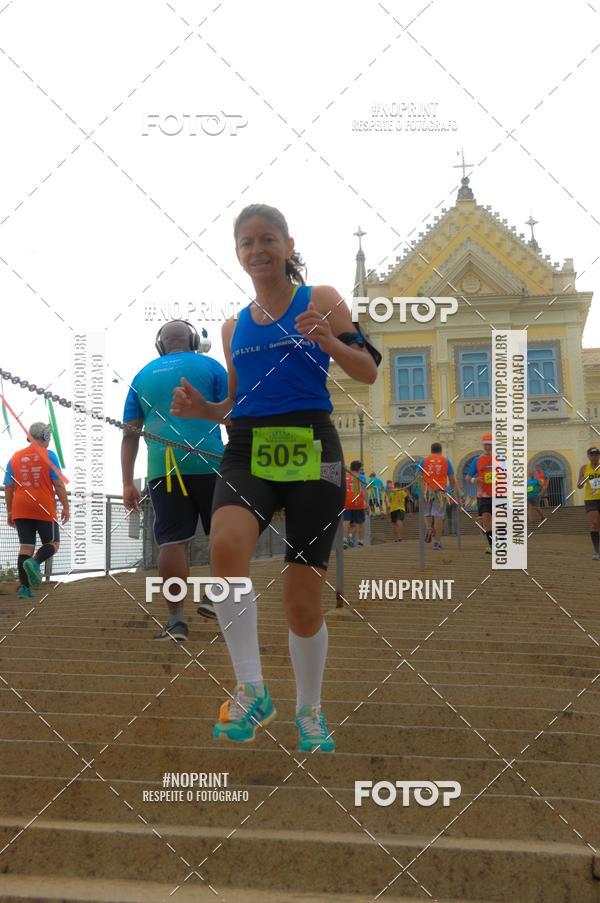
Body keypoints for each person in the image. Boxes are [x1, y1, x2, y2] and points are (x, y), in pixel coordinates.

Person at [170, 203, 378, 752]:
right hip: (248, 447)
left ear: (288, 246)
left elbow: (368, 370)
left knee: (301, 599)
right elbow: (237, 403)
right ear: (238, 254)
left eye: (267, 239)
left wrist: (330, 342)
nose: (257, 250)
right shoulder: (232, 326)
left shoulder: (322, 298)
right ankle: (252, 688)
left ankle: (310, 709)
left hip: (315, 447)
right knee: (225, 546)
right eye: (247, 242)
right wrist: (203, 410)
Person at [121, 320, 228, 641]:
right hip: (211, 461)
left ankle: (177, 622)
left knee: (172, 542)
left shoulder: (142, 376)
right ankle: (217, 595)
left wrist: (127, 483)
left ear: (160, 345)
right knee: (222, 534)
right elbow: (232, 415)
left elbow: (130, 434)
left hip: (164, 468)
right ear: (193, 341)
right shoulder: (212, 366)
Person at [3, 422, 69, 599]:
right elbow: (58, 484)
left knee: (26, 547)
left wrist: (10, 511)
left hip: (20, 507)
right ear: (45, 437)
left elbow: (8, 487)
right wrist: (66, 507)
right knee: (53, 543)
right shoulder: (49, 455)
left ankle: (24, 589)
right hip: (43, 506)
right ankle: (35, 562)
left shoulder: (15, 457)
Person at [417, 442, 456, 551]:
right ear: (440, 450)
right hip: (440, 492)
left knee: (426, 513)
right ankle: (437, 542)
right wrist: (452, 492)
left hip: (427, 491)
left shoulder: (424, 460)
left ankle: (429, 527)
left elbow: (418, 476)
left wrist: (422, 489)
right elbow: (452, 479)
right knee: (438, 516)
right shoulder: (446, 461)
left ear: (431, 450)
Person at [466, 434, 494, 553]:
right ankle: (492, 546)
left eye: (490, 444)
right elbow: (468, 478)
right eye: (486, 444)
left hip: (499, 493)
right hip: (483, 495)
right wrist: (474, 480)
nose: (488, 447)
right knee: (486, 519)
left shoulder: (501, 459)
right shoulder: (477, 460)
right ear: (483, 445)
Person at [577, 447, 600, 560]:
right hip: (591, 500)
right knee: (594, 524)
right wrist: (582, 481)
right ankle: (597, 551)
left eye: (596, 455)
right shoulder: (584, 468)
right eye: (592, 455)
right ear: (588, 456)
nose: (594, 457)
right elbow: (579, 486)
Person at [344, 460, 369, 548]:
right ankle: (360, 542)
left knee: (346, 521)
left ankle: (344, 540)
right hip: (358, 502)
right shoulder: (361, 477)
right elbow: (364, 491)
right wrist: (366, 503)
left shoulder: (345, 476)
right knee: (361, 522)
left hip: (346, 501)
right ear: (359, 469)